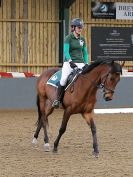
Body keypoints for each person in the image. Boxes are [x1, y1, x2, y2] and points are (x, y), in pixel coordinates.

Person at [52, 18, 89, 108]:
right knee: (63, 79)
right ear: (73, 27)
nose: (80, 29)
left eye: (81, 27)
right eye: (79, 27)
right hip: (69, 63)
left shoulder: (82, 39)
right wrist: (70, 61)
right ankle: (57, 100)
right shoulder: (68, 38)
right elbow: (66, 51)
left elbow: (84, 52)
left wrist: (86, 63)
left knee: (88, 78)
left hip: (81, 63)